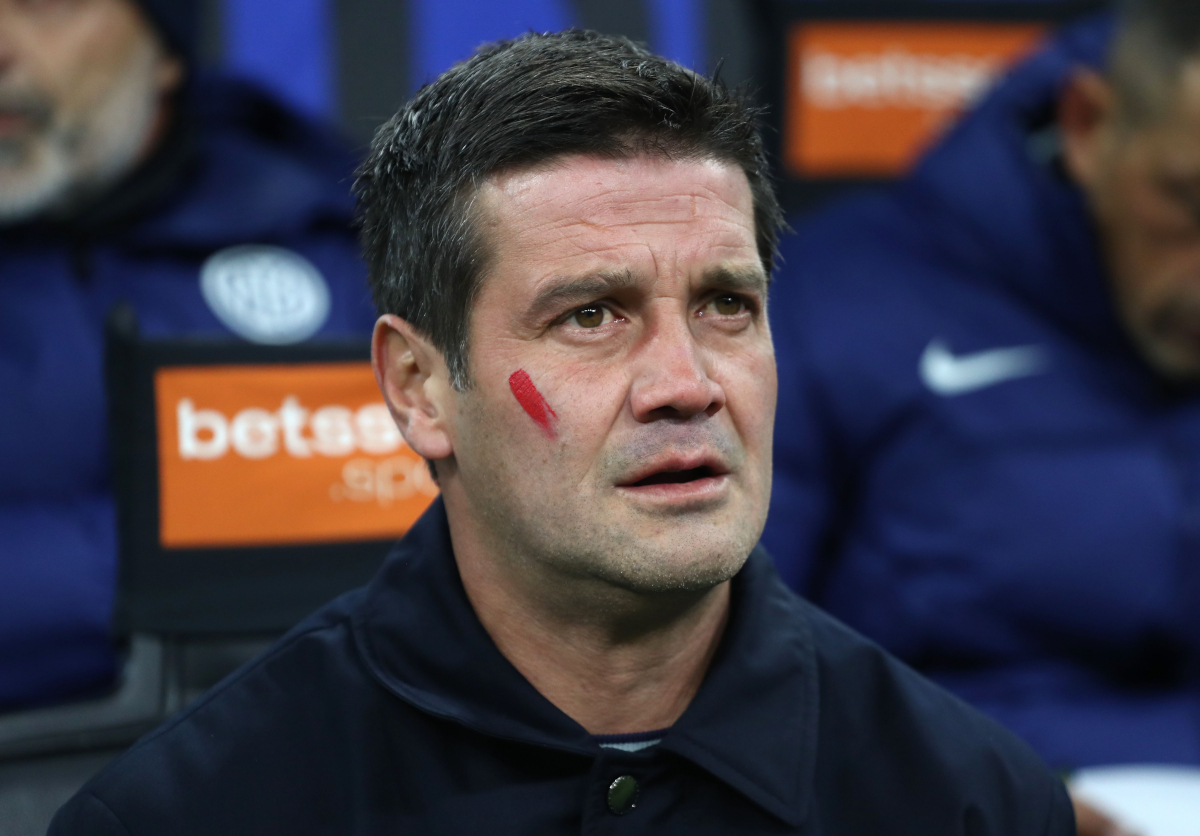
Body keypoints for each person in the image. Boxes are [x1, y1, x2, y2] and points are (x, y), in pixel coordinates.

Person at [49, 30, 1073, 835]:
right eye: (591, 315)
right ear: (417, 386)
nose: (687, 384)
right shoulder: (188, 813)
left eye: (726, 305)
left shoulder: (973, 800)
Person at [763, 0, 1200, 777]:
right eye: (1188, 201)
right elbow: (722, 680)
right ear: (1088, 125)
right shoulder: (830, 310)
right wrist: (977, 798)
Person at [0, 0, 376, 712]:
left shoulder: (347, 249)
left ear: (167, 49)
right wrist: (204, 561)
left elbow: (431, 568)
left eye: (44, 4)